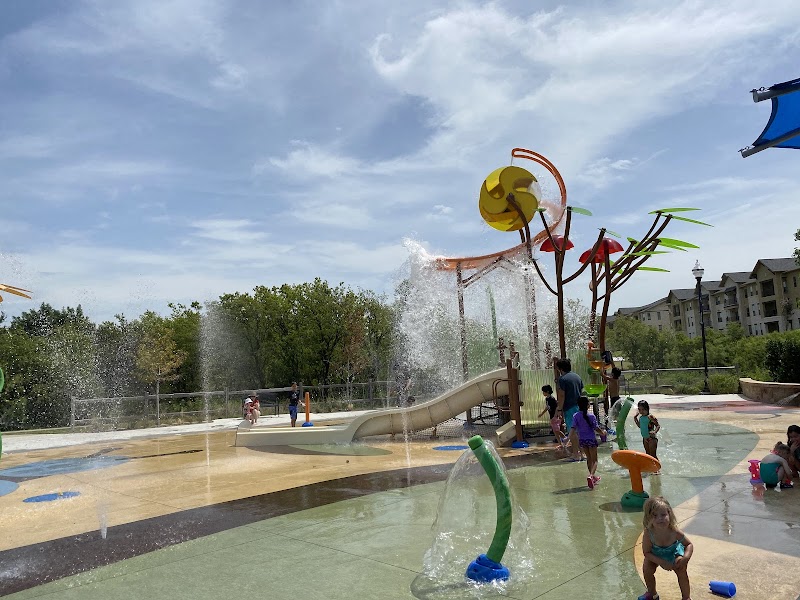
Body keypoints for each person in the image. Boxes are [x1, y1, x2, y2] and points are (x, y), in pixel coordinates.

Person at [640, 496, 693, 600]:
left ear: (669, 514)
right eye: (654, 516)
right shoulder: (648, 533)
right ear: (648, 518)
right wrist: (661, 562)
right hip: (655, 554)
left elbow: (689, 544)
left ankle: (686, 598)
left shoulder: (674, 532)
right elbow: (646, 552)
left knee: (681, 570)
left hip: (673, 553)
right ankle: (652, 593)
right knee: (647, 568)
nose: (660, 518)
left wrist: (685, 558)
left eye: (663, 514)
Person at [569, 395, 605, 488]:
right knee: (595, 461)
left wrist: (567, 438)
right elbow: (596, 428)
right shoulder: (591, 416)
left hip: (582, 440)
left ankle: (593, 477)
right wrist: (603, 433)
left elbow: (573, 428)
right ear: (588, 405)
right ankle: (591, 476)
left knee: (589, 459)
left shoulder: (576, 416)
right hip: (591, 440)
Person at [555, 357, 583, 461]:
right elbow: (581, 391)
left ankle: (575, 454)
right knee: (580, 430)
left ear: (560, 369)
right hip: (579, 407)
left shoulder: (563, 379)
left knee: (572, 431)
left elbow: (562, 395)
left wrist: (559, 409)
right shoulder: (577, 377)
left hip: (569, 408)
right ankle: (582, 453)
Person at [634, 400, 660, 468]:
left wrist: (654, 432)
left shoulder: (650, 416)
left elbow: (658, 425)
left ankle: (657, 469)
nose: (641, 411)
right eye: (639, 409)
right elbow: (640, 426)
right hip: (645, 438)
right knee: (648, 455)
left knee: (653, 455)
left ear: (647, 408)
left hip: (652, 439)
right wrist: (635, 418)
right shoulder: (641, 417)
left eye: (643, 409)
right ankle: (650, 468)